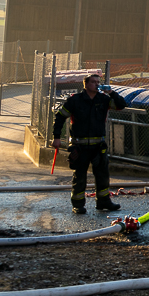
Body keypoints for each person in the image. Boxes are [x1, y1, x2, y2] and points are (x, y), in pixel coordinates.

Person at [51, 73, 127, 214]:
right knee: (79, 176)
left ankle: (103, 202)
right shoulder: (75, 100)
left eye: (98, 82)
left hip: (98, 146)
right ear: (86, 84)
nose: (97, 84)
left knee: (102, 175)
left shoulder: (104, 99)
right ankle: (78, 205)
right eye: (93, 82)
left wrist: (111, 92)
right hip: (79, 146)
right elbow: (60, 117)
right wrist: (56, 137)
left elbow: (122, 105)